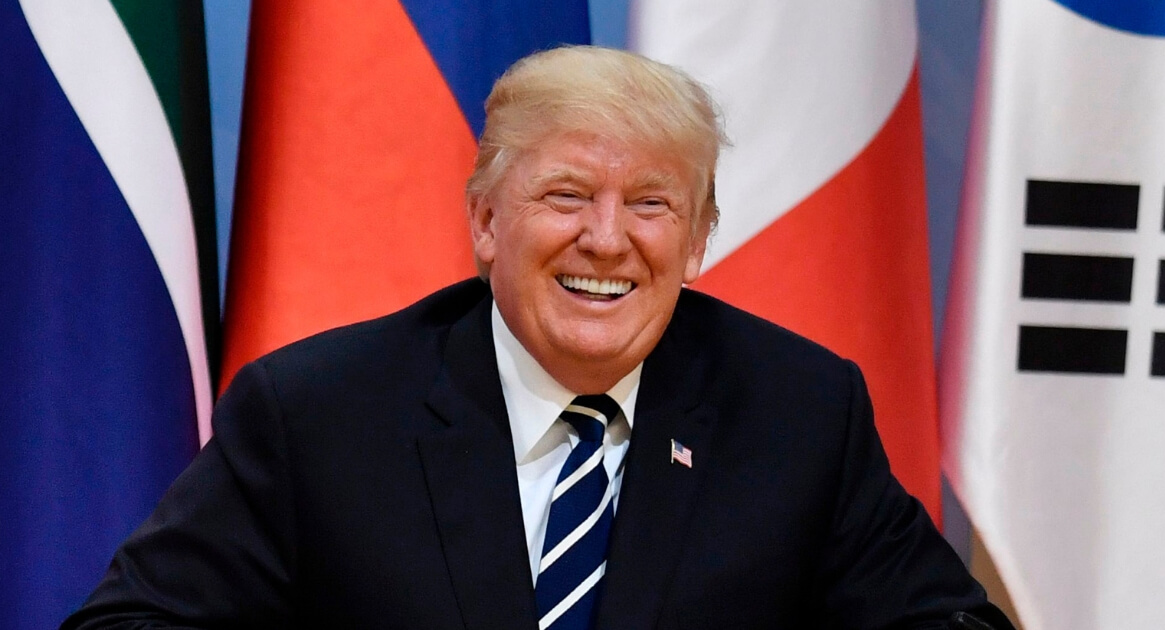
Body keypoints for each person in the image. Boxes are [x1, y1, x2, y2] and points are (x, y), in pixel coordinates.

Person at [63, 46, 1012, 629]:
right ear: (484, 222)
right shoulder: (318, 412)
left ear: (697, 239)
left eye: (651, 204)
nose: (607, 238)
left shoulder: (798, 411)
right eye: (566, 196)